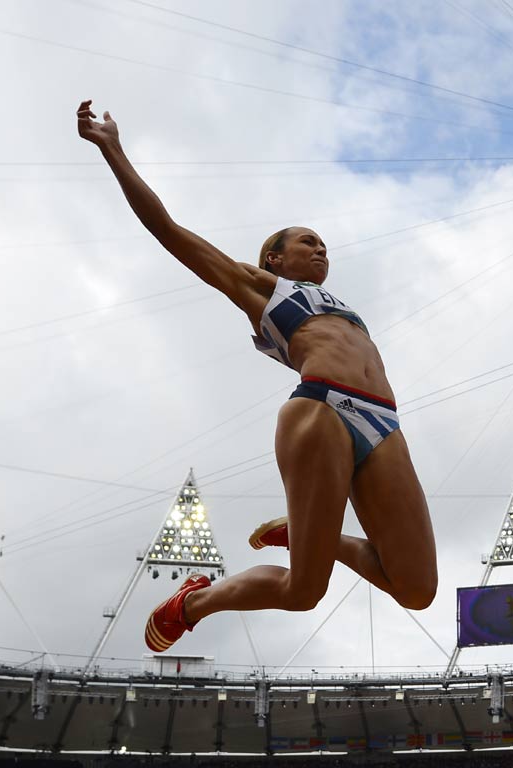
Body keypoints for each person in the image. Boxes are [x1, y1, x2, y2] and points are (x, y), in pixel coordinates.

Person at [77, 100, 438, 652]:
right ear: (274, 259)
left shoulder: (343, 305)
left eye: (324, 244)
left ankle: (316, 536)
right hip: (320, 408)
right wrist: (114, 151)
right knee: (302, 592)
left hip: (383, 423)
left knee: (417, 589)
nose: (320, 248)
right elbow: (168, 230)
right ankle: (192, 601)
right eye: (306, 241)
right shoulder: (261, 289)